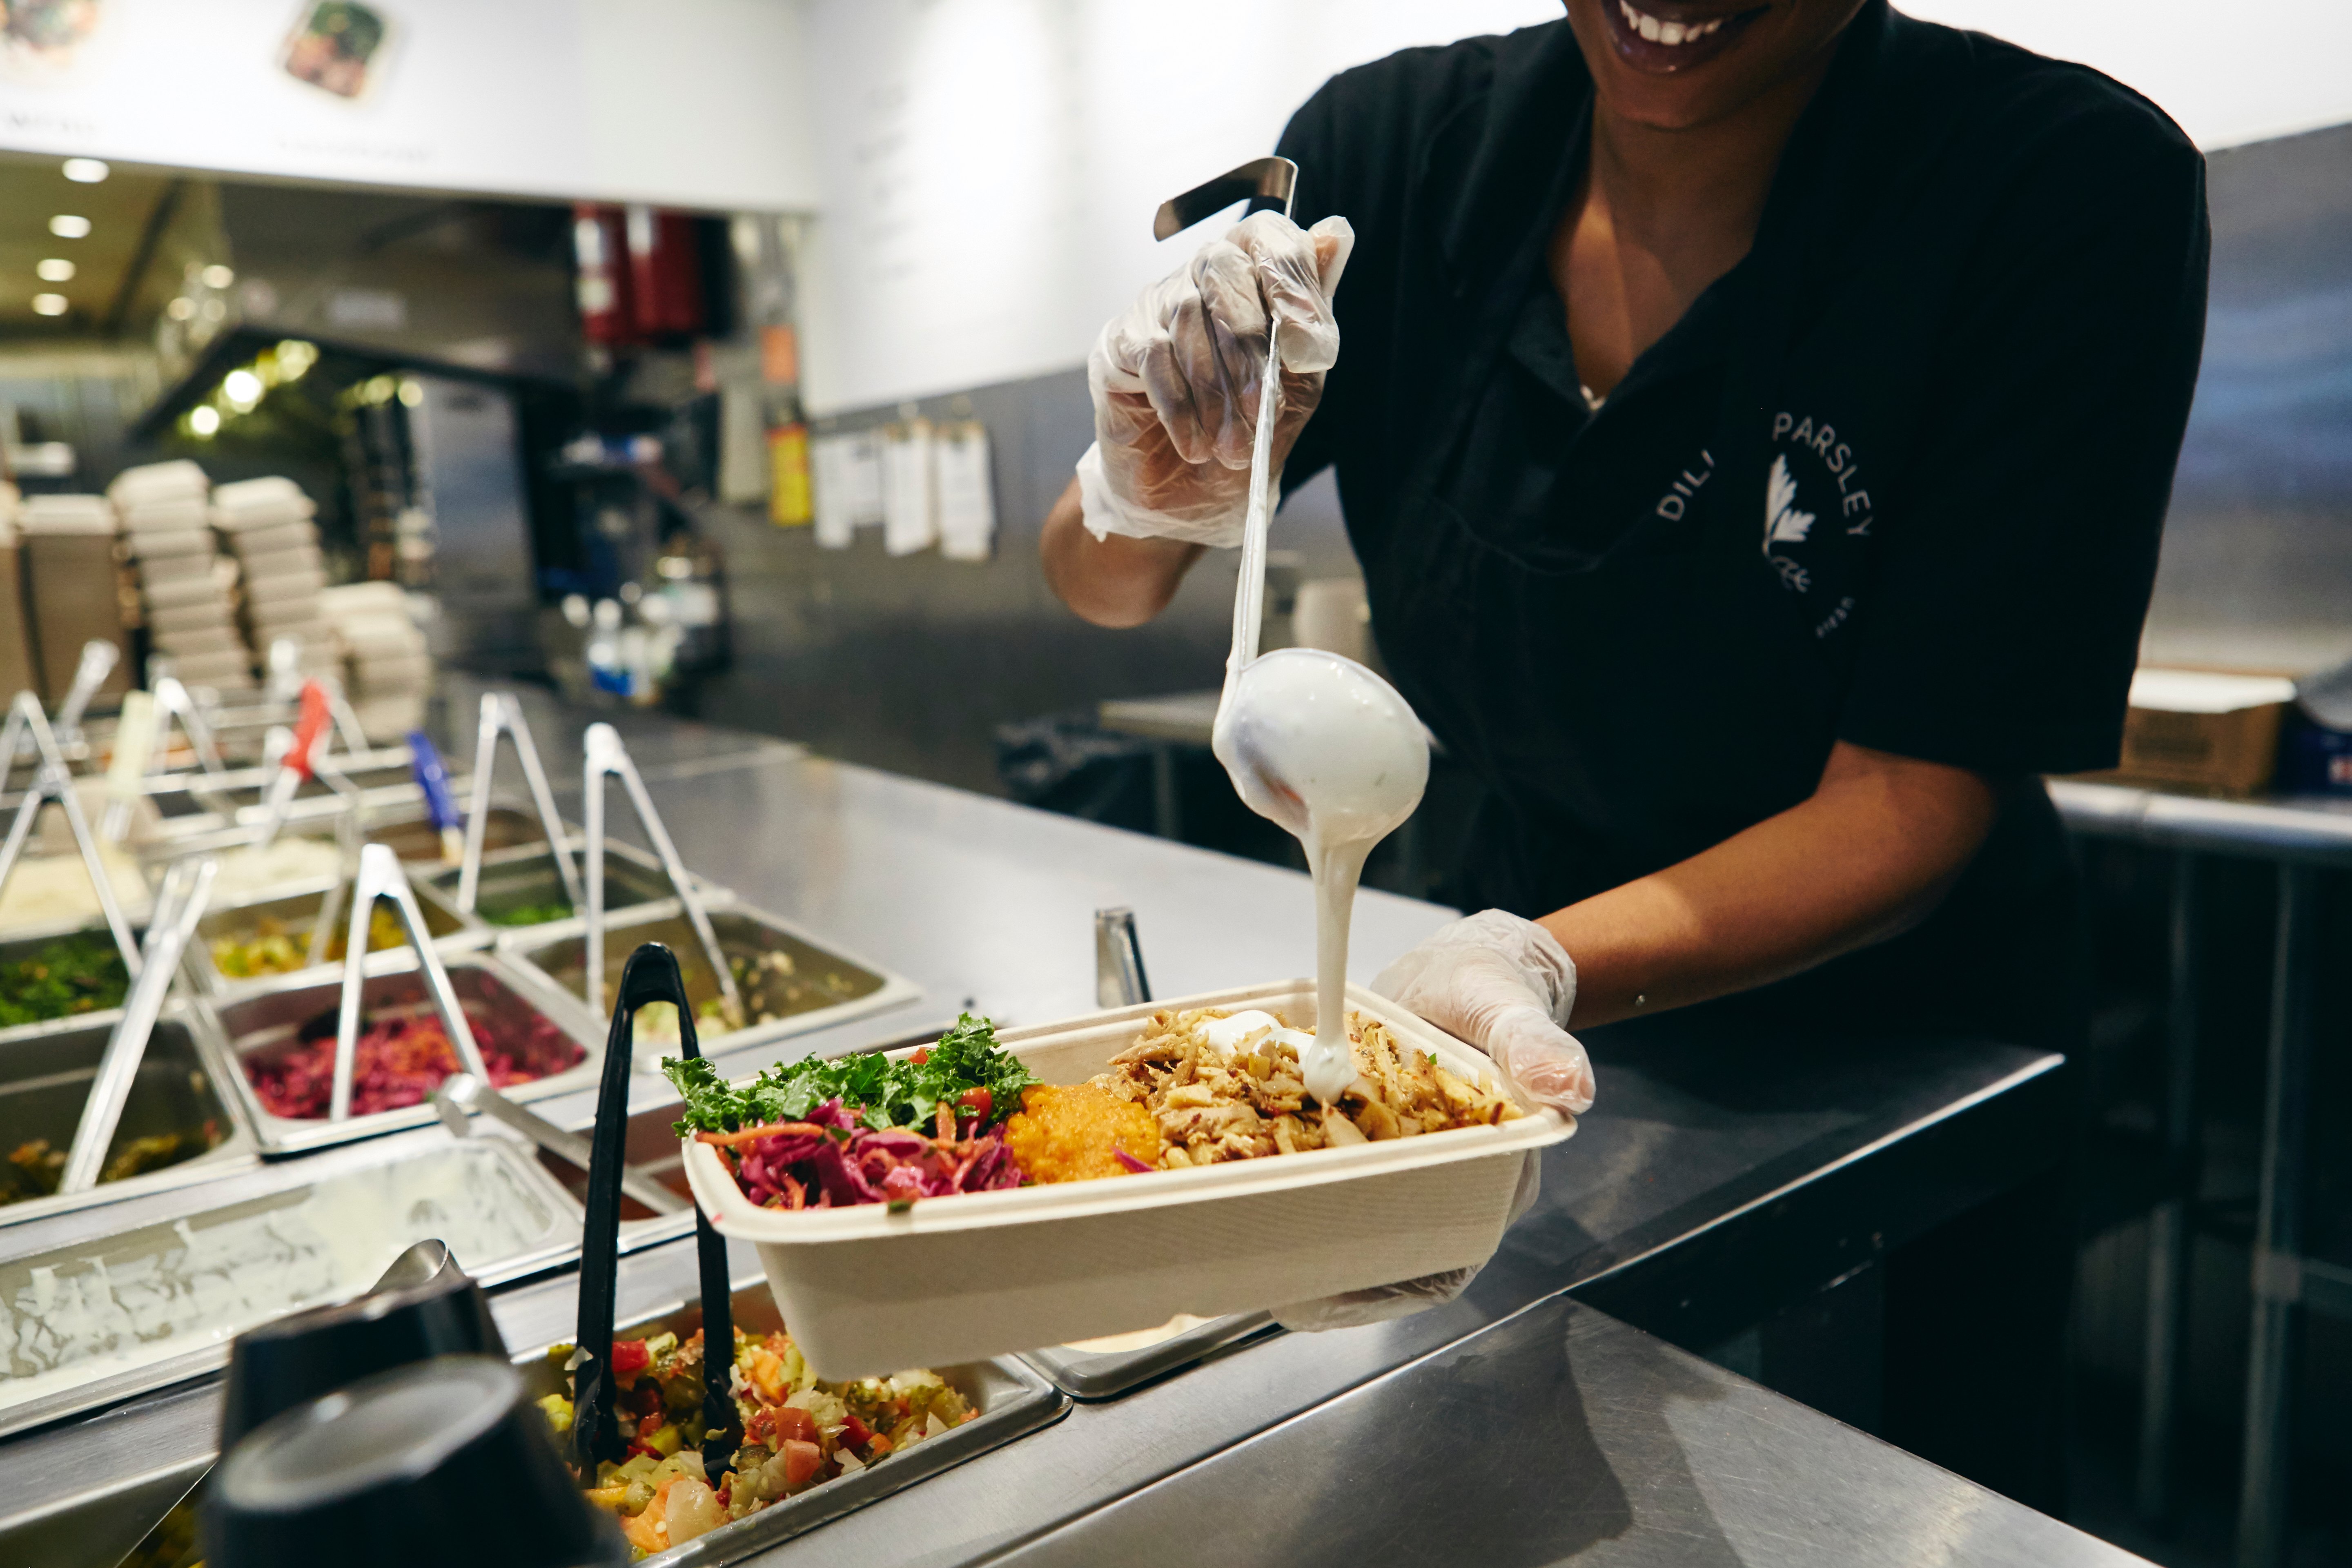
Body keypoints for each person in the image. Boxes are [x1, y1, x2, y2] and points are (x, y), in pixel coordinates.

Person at [1041, 0, 2209, 1508]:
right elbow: (1102, 587)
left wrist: (1536, 961)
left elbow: (1915, 795)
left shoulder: (2055, 183)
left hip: (1890, 1041)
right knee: (1490, 1489)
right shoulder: (1394, 159)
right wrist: (1141, 484)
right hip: (1505, 987)